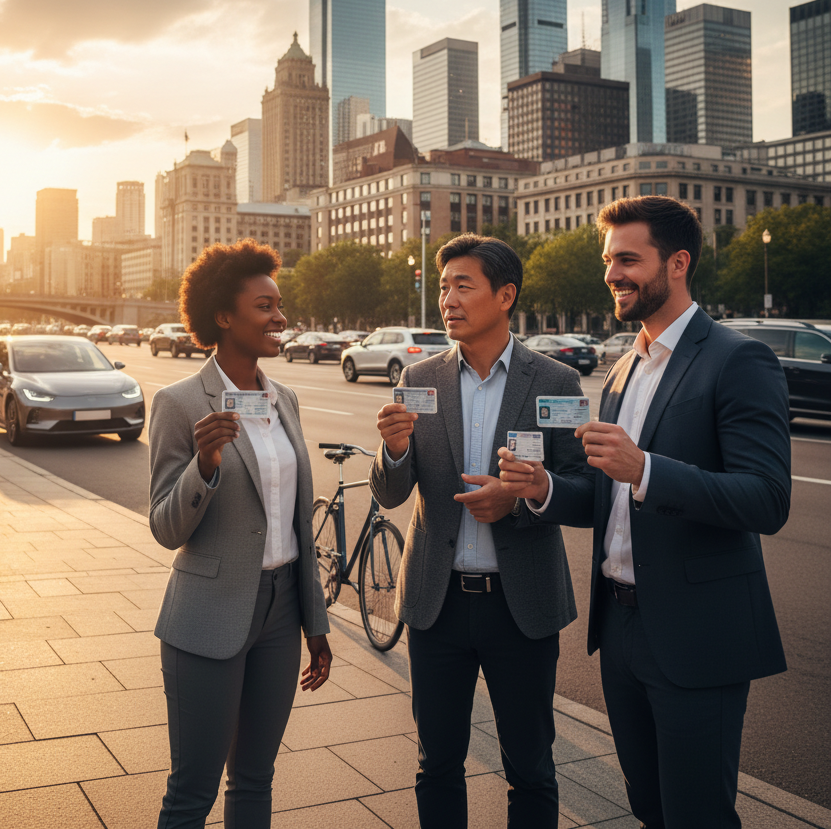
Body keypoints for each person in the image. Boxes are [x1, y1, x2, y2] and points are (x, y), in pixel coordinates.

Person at [503, 196, 791, 828]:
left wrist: (648, 470)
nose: (612, 274)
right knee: (648, 808)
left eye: (628, 259)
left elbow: (767, 500)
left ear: (678, 263)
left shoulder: (739, 359)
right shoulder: (623, 367)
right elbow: (610, 497)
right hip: (622, 630)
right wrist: (543, 488)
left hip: (697, 635)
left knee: (697, 815)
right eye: (609, 260)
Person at [370, 233, 595, 829]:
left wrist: (522, 500)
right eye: (443, 288)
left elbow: (584, 491)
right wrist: (393, 452)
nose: (447, 299)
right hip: (434, 605)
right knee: (436, 762)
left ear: (505, 296)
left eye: (462, 286)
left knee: (531, 768)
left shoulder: (555, 382)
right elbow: (392, 493)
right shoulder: (418, 378)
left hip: (519, 608)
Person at [148, 240, 333, 829]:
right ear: (223, 317)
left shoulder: (286, 399)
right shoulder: (180, 404)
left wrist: (316, 623)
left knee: (255, 780)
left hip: (281, 612)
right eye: (264, 307)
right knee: (192, 791)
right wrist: (204, 466)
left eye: (280, 306)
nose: (280, 318)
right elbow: (164, 526)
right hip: (208, 614)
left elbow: (296, 522)